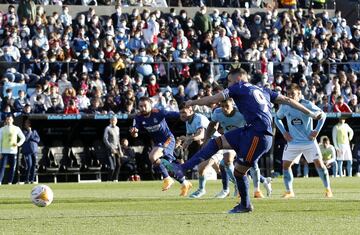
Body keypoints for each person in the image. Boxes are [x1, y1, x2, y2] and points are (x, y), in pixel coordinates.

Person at [169, 68, 322, 213]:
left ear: (239, 78)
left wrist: (192, 102)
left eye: (229, 81)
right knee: (217, 143)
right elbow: (288, 100)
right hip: (251, 131)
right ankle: (182, 168)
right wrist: (310, 113)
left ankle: (245, 205)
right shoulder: (263, 90)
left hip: (258, 135)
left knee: (239, 172)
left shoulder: (238, 87)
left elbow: (215, 99)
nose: (228, 84)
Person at [205, 98, 272, 199]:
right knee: (225, 162)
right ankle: (237, 186)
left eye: (226, 106)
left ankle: (257, 189)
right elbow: (212, 125)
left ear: (232, 103)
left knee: (250, 164)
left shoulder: (241, 112)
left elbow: (253, 123)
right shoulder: (217, 113)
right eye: (222, 106)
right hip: (230, 141)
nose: (224, 109)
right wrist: (207, 139)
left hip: (245, 141)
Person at [275, 83, 332, 199]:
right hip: (293, 143)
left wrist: (316, 130)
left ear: (299, 94)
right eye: (288, 94)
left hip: (308, 142)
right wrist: (284, 132)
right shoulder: (285, 106)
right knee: (285, 166)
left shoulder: (307, 104)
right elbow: (276, 118)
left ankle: (328, 189)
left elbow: (323, 115)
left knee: (319, 165)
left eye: (293, 94)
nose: (290, 96)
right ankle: (289, 191)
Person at [130, 97, 192, 196]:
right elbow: (135, 132)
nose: (143, 108)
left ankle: (167, 179)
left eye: (145, 105)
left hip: (168, 139)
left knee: (152, 157)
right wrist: (134, 132)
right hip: (158, 143)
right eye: (140, 106)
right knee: (167, 165)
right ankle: (185, 183)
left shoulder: (158, 112)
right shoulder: (138, 117)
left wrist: (188, 115)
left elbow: (176, 115)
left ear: (151, 105)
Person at [178, 104, 222, 199]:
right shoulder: (188, 122)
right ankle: (238, 184)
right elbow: (192, 138)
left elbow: (201, 135)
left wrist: (186, 139)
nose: (182, 115)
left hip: (217, 144)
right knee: (219, 170)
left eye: (184, 112)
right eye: (180, 113)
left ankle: (202, 189)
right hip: (208, 147)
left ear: (191, 110)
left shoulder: (199, 118)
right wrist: (183, 144)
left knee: (201, 167)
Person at [0, 115, 26, 185]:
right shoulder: (2, 129)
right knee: (2, 167)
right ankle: (0, 181)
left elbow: (23, 138)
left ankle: (10, 182)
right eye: (7, 119)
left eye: (10, 119)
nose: (9, 121)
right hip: (4, 151)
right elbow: (0, 141)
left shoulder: (16, 128)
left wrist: (18, 144)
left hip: (13, 151)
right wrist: (0, 152)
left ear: (12, 120)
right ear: (6, 120)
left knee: (12, 168)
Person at [103, 116, 124, 182]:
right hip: (110, 149)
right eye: (112, 120)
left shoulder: (117, 128)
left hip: (117, 149)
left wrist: (120, 150)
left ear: (116, 121)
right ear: (110, 121)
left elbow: (118, 140)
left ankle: (115, 179)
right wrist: (111, 147)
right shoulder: (107, 128)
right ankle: (109, 179)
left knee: (118, 165)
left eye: (114, 120)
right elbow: (105, 139)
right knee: (112, 167)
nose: (113, 121)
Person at [21, 119, 40, 184]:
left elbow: (38, 139)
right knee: (29, 165)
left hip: (34, 151)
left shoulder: (34, 131)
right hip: (27, 151)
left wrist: (31, 138)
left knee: (34, 165)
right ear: (25, 124)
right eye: (27, 123)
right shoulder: (23, 131)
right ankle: (26, 180)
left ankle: (32, 180)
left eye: (29, 123)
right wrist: (29, 132)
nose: (28, 124)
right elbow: (25, 139)